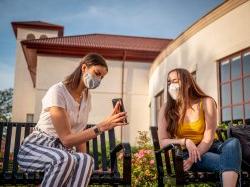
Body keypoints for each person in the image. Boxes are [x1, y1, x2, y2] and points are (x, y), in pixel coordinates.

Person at [17, 53, 127, 187]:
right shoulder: (58, 91)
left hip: (64, 153)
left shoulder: (87, 98)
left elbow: (79, 134)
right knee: (64, 159)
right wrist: (103, 126)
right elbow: (67, 140)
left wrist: (83, 164)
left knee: (86, 160)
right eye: (97, 73)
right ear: (84, 68)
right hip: (37, 148)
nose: (98, 80)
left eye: (102, 77)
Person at [158, 68, 242, 187]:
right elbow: (162, 142)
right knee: (231, 162)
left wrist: (194, 158)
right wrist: (185, 141)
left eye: (176, 81)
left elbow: (209, 138)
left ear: (187, 83)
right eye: (169, 82)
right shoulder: (166, 108)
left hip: (212, 146)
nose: (172, 85)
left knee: (233, 143)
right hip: (188, 153)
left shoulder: (207, 102)